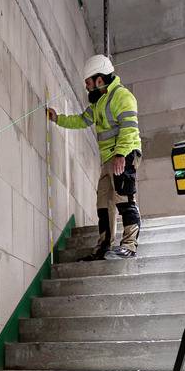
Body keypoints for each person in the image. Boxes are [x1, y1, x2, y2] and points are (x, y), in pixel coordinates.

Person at [47, 54, 142, 260]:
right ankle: (104, 247)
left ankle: (129, 245)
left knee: (124, 198)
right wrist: (58, 119)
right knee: (103, 202)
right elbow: (82, 120)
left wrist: (120, 155)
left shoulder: (122, 97)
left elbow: (129, 129)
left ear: (100, 80)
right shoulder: (98, 103)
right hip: (109, 158)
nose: (87, 87)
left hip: (123, 155)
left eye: (89, 83)